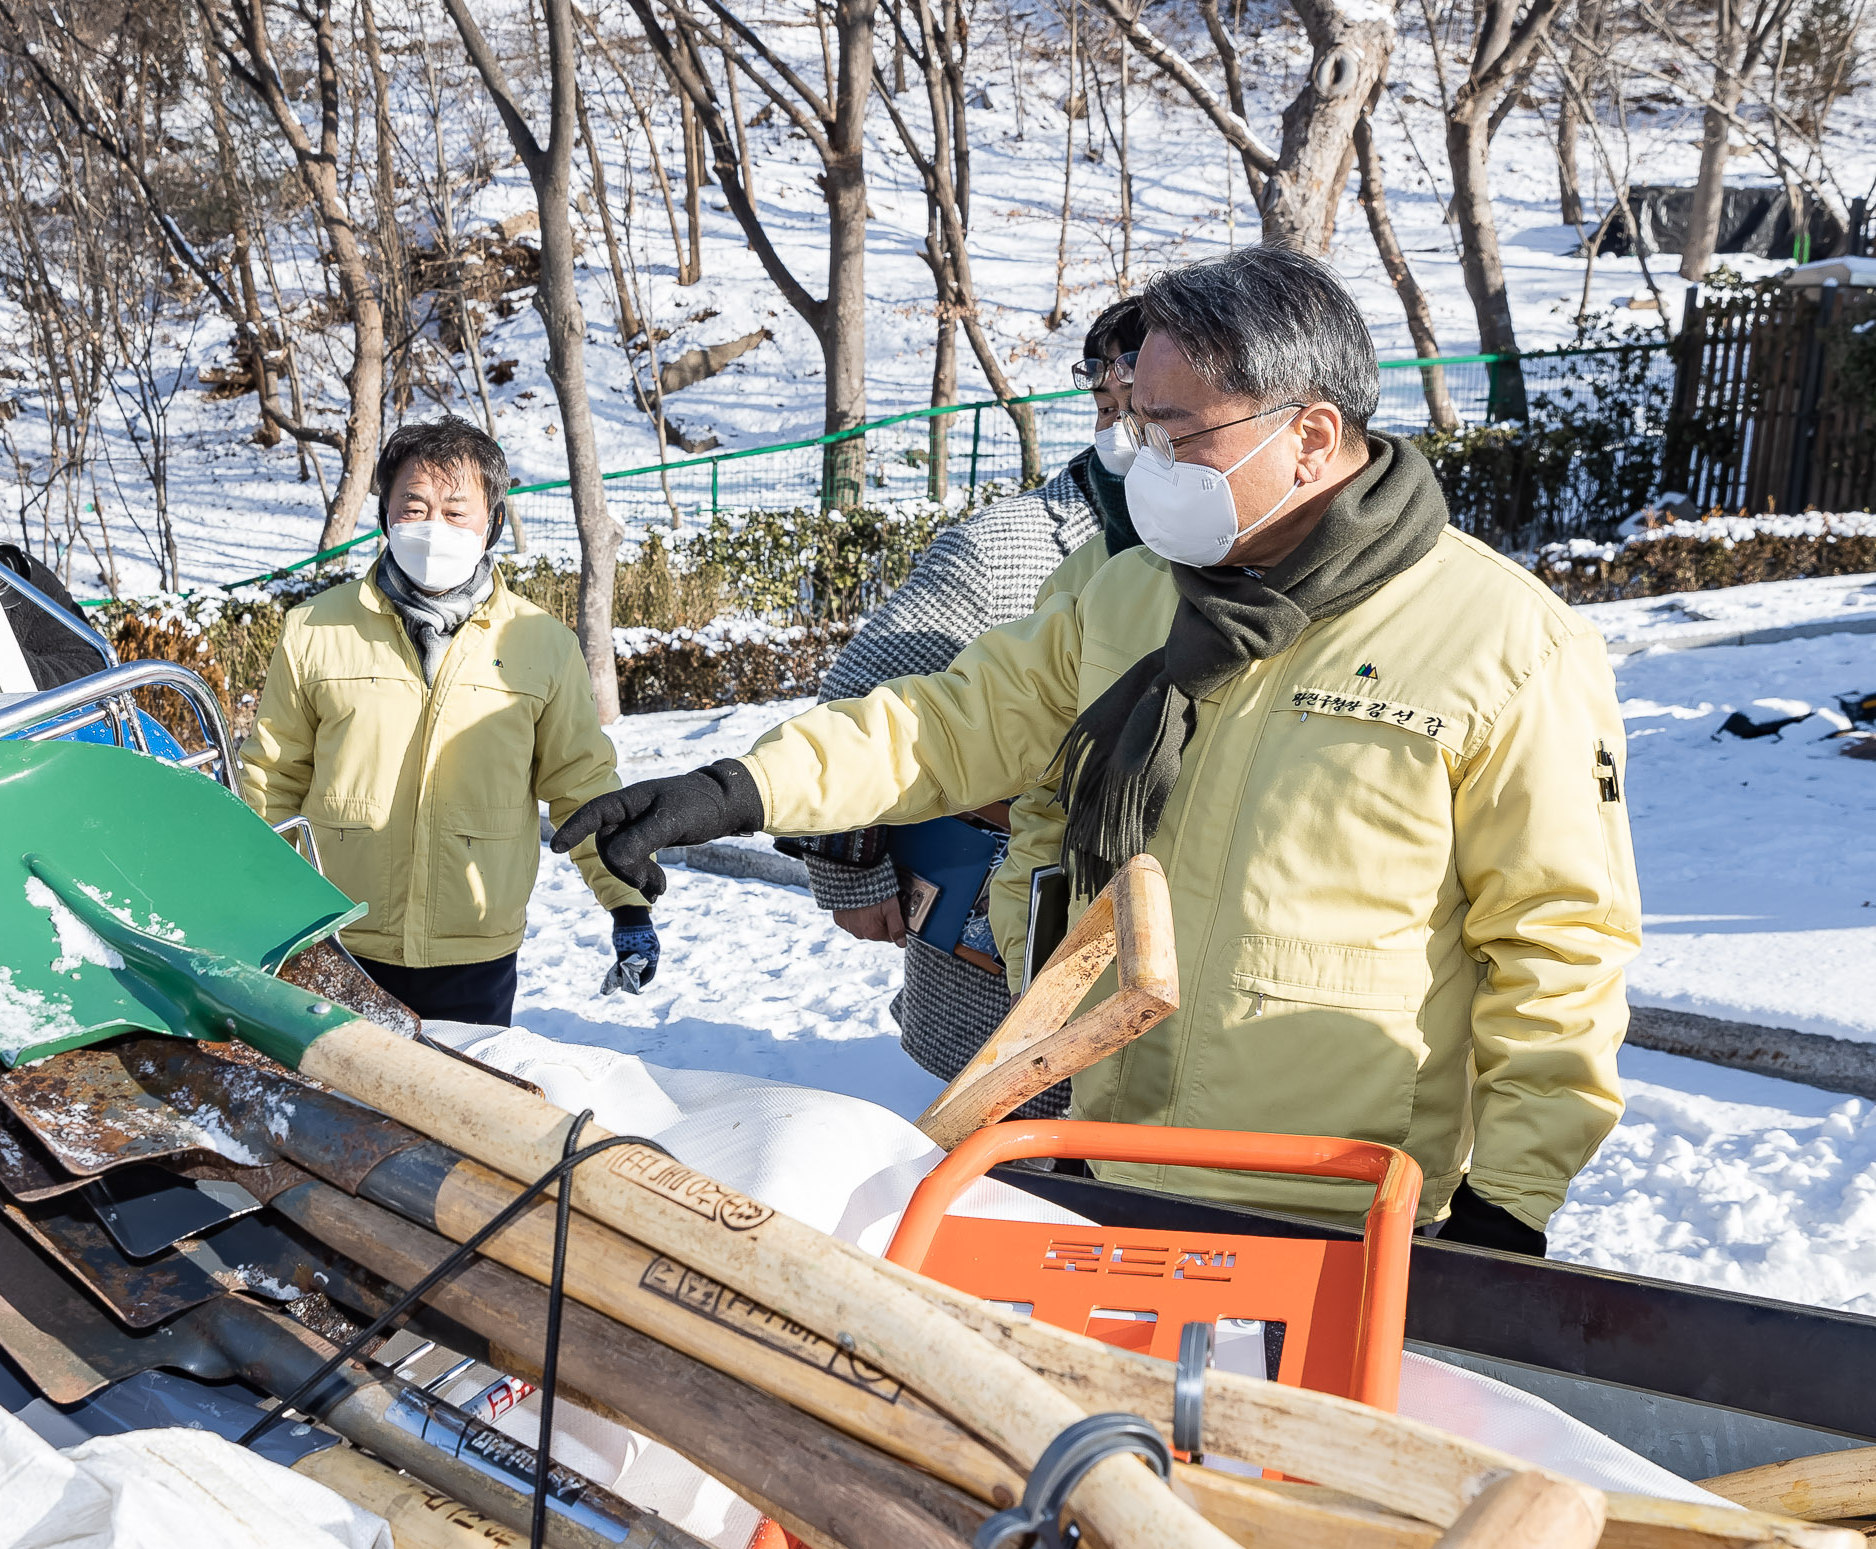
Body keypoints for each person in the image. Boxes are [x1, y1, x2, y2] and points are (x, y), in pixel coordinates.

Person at [558, 249, 1639, 1255]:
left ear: (1310, 434)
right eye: (1137, 427)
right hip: (1106, 1148)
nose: (1146, 462)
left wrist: (1508, 1205)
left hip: (1331, 1199)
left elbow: (1561, 947)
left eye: (1179, 433)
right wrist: (738, 788)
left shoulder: (1504, 641)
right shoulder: (1132, 594)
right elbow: (950, 718)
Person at [789, 297, 1151, 1094]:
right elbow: (860, 700)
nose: (1125, 426)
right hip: (995, 954)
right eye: (1106, 401)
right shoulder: (1007, 549)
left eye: (1146, 402)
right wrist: (854, 875)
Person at [239, 417, 652, 1028]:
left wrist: (627, 902)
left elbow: (581, 785)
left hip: (474, 952)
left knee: (457, 1111)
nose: (434, 526)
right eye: (414, 505)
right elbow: (271, 778)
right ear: (385, 515)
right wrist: (249, 902)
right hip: (334, 940)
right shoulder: (316, 629)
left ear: (492, 522)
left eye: (456, 510)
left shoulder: (541, 643)